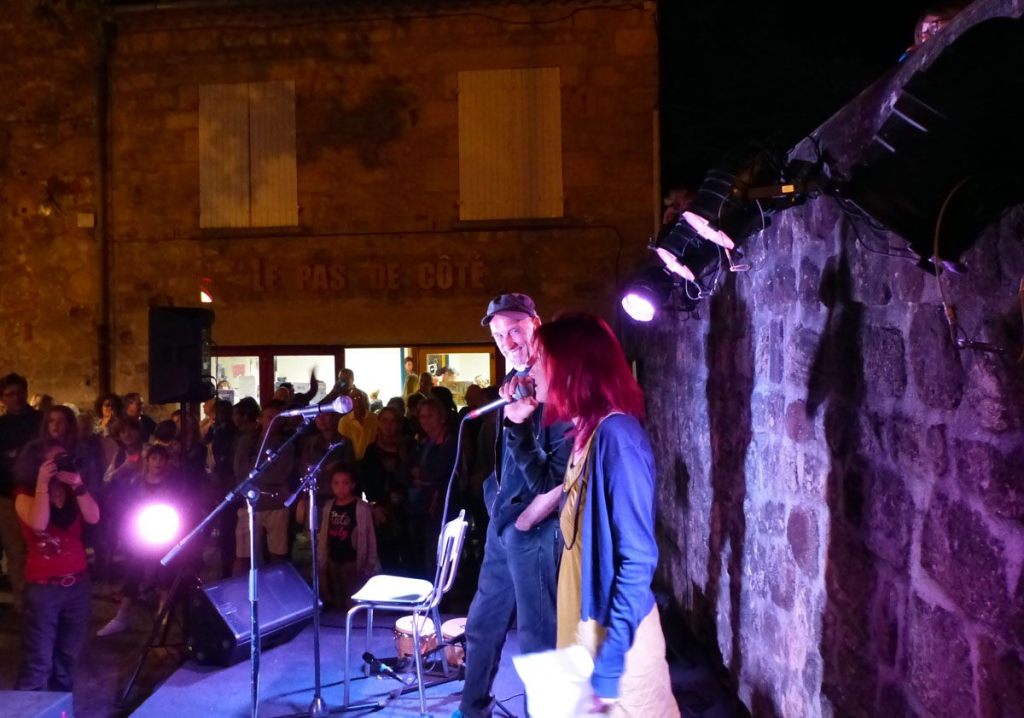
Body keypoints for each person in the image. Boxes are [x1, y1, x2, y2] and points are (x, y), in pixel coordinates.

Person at [529, 312, 677, 716]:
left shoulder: (617, 437)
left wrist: (610, 666)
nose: (532, 369)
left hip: (619, 647)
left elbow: (638, 558)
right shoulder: (582, 437)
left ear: (571, 368)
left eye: (542, 359)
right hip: (584, 632)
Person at [456, 294, 572, 718]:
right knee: (482, 624)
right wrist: (497, 502)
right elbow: (507, 451)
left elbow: (564, 471)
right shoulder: (514, 378)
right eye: (498, 334)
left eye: (515, 329)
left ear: (535, 323)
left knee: (538, 638)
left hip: (535, 529)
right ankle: (473, 709)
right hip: (504, 523)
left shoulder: (557, 377)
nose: (507, 340)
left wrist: (526, 520)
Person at [14, 440, 100, 691]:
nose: (62, 463)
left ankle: (60, 705)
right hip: (44, 589)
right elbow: (38, 523)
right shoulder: (24, 494)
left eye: (64, 457)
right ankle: (30, 706)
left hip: (78, 585)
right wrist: (42, 483)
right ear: (38, 464)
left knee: (68, 657)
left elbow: (94, 517)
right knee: (38, 661)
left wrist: (79, 486)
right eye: (55, 459)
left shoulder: (71, 490)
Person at [0, 373, 42, 609]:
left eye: (19, 393)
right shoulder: (1, 426)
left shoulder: (40, 421)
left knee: (40, 546)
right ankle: (24, 603)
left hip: (38, 493)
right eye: (10, 394)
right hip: (8, 496)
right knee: (16, 550)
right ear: (2, 399)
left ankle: (44, 599)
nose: (16, 398)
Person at [317, 466, 378, 610]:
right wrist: (322, 558)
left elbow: (369, 535)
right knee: (336, 593)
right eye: (336, 483)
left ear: (352, 485)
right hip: (333, 558)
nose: (340, 488)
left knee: (352, 596)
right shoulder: (329, 506)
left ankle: (351, 619)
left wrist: (370, 561)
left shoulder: (361, 508)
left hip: (352, 561)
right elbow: (324, 532)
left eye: (345, 483)